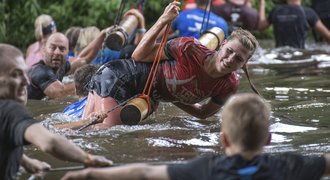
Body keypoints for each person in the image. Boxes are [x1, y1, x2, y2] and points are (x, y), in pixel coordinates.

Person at [57, 1, 259, 129]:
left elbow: (203, 113)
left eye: (239, 59)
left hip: (144, 96)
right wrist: (163, 19)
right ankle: (43, 133)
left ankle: (51, 129)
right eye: (229, 51)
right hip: (119, 77)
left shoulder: (229, 85)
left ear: (245, 64)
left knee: (88, 130)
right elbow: (138, 55)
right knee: (101, 135)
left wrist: (170, 95)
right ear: (222, 45)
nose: (231, 59)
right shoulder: (189, 48)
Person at [61, 93, 330, 180]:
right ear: (268, 139)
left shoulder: (206, 169)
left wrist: (91, 174)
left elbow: (143, 173)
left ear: (223, 140)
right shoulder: (289, 166)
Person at [0, 44, 113, 180]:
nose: (26, 81)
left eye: (24, 73)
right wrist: (88, 158)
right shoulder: (10, 109)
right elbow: (50, 142)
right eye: (16, 74)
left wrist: (26, 161)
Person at [27, 26, 111, 100]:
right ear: (43, 50)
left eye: (62, 49)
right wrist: (92, 80)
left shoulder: (61, 66)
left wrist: (102, 35)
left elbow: (84, 58)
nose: (57, 52)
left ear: (68, 52)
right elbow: (60, 93)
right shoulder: (39, 71)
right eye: (52, 48)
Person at [258, 0, 330, 49]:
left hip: (279, 55)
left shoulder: (276, 11)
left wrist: (262, 4)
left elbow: (260, 27)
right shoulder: (308, 13)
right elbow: (328, 36)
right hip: (300, 56)